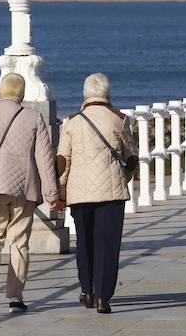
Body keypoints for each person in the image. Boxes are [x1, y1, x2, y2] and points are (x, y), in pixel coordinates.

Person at [0, 73, 63, 313]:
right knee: (19, 243)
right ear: (22, 93)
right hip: (24, 189)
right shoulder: (33, 117)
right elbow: (45, 159)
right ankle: (15, 298)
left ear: (0, 91)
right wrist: (52, 194)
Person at [57, 73, 139, 314]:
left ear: (85, 95)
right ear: (107, 94)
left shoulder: (72, 122)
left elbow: (63, 162)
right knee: (108, 245)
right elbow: (131, 157)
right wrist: (123, 178)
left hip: (80, 194)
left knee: (85, 242)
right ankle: (104, 296)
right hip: (111, 194)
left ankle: (87, 292)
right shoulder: (119, 119)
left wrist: (61, 193)